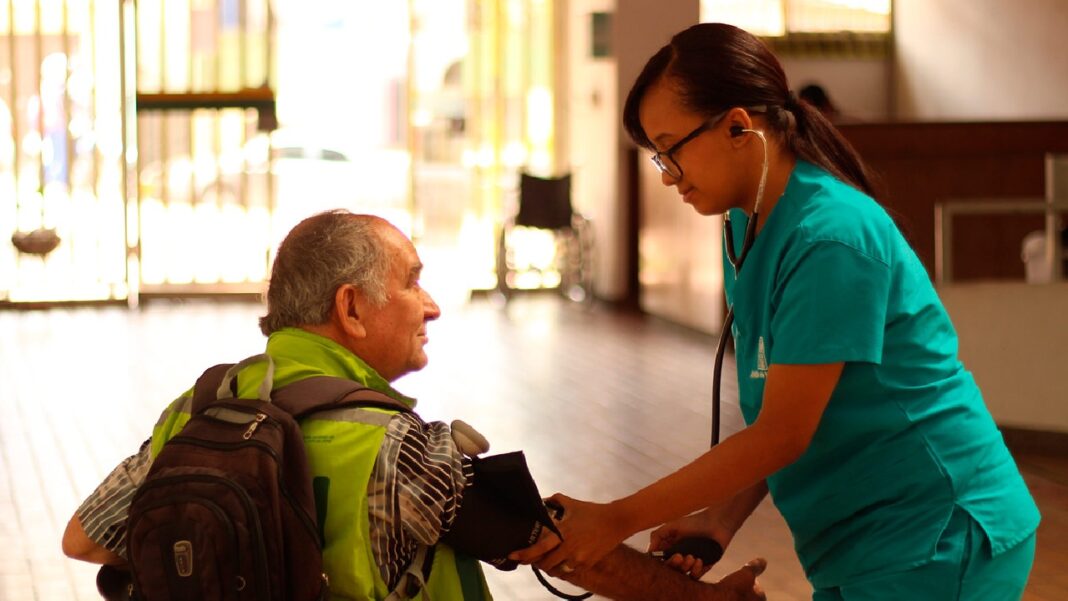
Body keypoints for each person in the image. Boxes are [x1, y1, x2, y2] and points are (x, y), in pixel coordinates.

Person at [512, 23, 1041, 601]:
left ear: (739, 126)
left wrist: (617, 518)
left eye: (671, 149)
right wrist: (718, 518)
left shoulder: (830, 238)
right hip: (863, 541)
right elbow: (790, 406)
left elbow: (784, 433)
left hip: (939, 533)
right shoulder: (746, 224)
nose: (667, 176)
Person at [62, 209, 767, 601]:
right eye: (412, 282)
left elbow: (85, 539)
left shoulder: (200, 406)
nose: (430, 304)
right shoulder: (398, 449)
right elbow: (570, 553)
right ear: (351, 308)